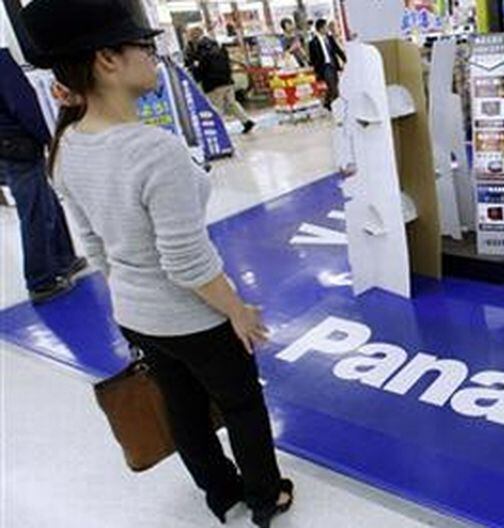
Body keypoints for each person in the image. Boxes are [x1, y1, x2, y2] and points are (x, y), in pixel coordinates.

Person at [20, 1, 293, 526]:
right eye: (144, 46)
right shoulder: (154, 150)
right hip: (194, 317)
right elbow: (187, 262)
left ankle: (221, 496)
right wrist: (236, 311)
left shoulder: (67, 145)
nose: (155, 56)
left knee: (182, 407)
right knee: (240, 403)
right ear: (107, 60)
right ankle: (265, 496)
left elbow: (95, 246)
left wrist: (131, 293)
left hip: (135, 313)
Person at [0, 47, 86, 303]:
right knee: (35, 210)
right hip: (18, 143)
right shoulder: (1, 61)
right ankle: (41, 280)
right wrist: (47, 137)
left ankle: (64, 258)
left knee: (45, 201)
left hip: (7, 147)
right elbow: (23, 103)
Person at [184, 26, 256, 134]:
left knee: (216, 107)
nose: (189, 38)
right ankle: (246, 121)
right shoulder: (216, 45)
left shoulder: (201, 49)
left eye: (190, 35)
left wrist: (194, 71)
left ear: (194, 35)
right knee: (232, 103)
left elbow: (202, 66)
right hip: (227, 80)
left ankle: (219, 129)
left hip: (214, 83)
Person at [308, 19, 346, 110]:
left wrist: (345, 59)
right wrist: (315, 68)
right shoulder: (313, 42)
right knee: (332, 86)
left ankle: (327, 102)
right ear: (320, 28)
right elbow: (312, 58)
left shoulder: (329, 38)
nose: (327, 29)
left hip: (333, 65)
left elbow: (337, 50)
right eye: (325, 27)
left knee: (335, 85)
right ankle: (334, 105)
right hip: (324, 67)